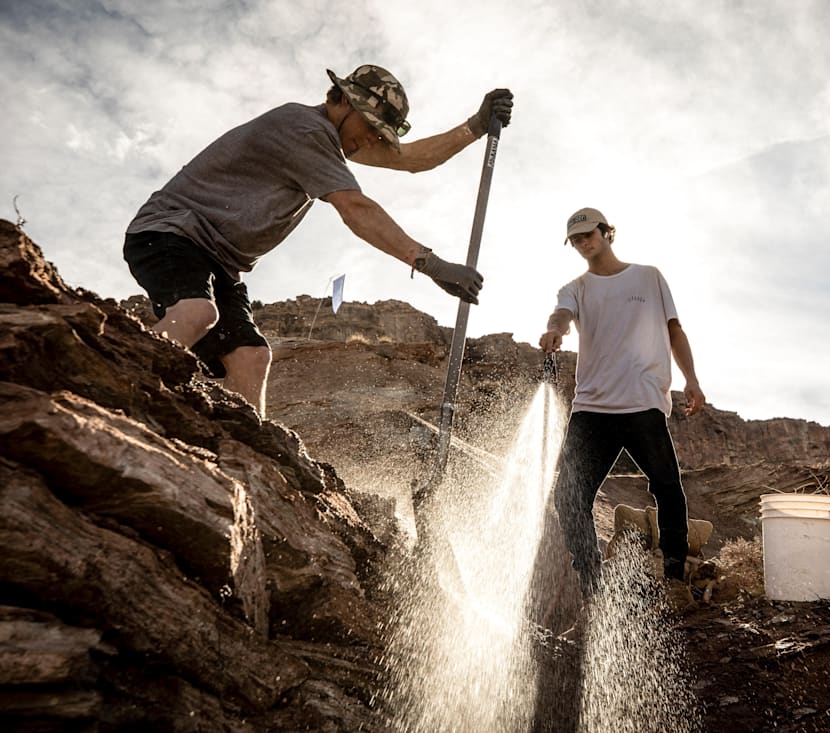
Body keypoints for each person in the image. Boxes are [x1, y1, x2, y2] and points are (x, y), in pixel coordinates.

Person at [124, 64, 513, 417]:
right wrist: (430, 265)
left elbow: (410, 159)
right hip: (171, 232)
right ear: (341, 99)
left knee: (251, 357)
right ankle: (117, 384)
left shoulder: (337, 135)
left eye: (381, 131)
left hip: (218, 261)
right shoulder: (305, 129)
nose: (372, 139)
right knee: (196, 313)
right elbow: (355, 209)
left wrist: (475, 126)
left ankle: (243, 452)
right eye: (371, 126)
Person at [539, 207, 705, 603]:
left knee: (666, 486)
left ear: (606, 232)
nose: (583, 243)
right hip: (592, 409)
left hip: (641, 401)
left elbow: (674, 330)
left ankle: (675, 578)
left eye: (589, 234)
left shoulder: (648, 277)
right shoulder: (576, 287)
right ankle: (593, 584)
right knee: (568, 496)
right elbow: (562, 313)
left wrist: (692, 379)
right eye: (576, 239)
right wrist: (554, 330)